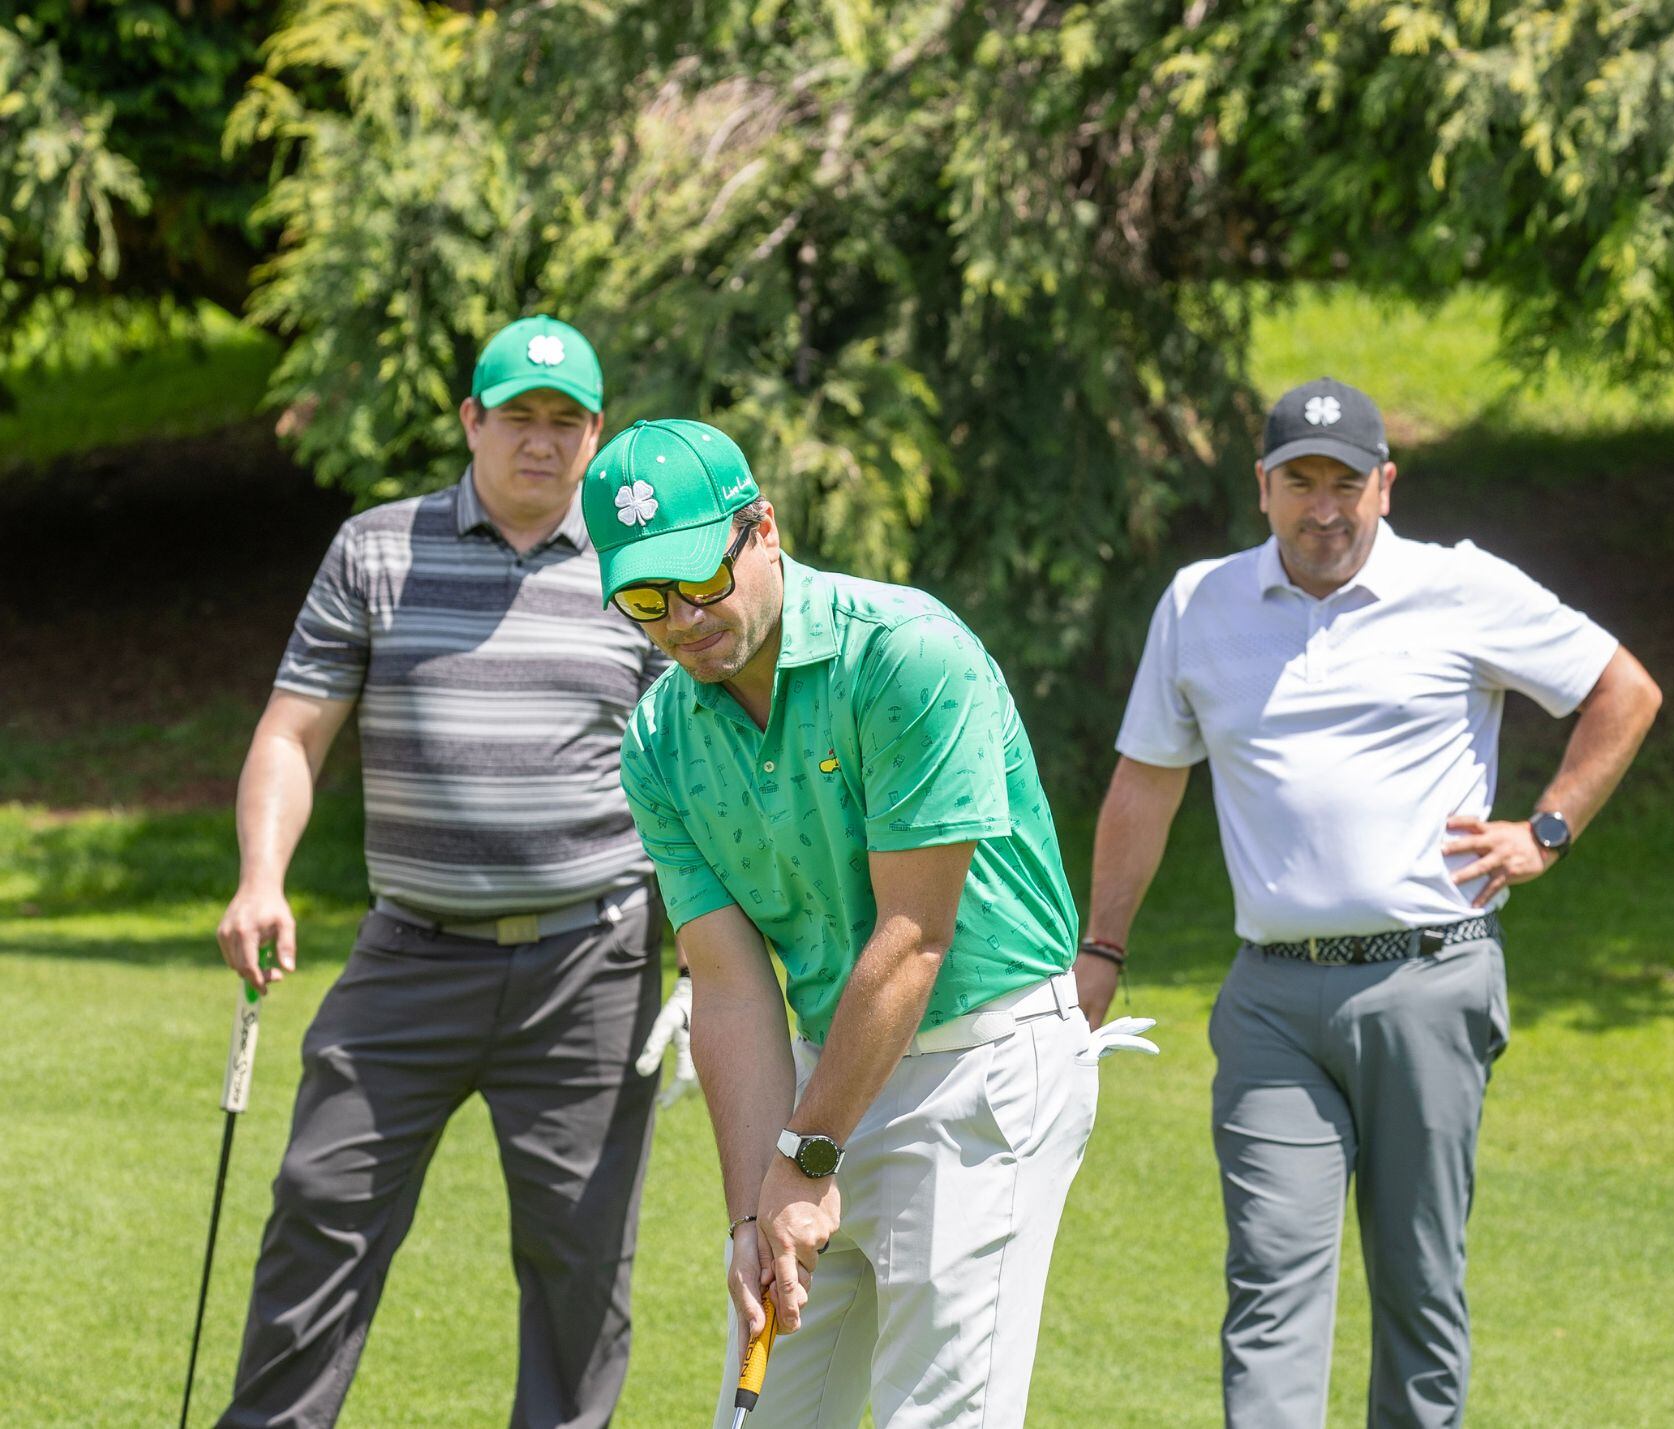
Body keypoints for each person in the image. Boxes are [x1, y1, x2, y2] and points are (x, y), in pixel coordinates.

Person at [1079, 377, 1663, 1427]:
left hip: (1428, 983)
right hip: (1269, 1003)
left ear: (1384, 486)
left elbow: (1623, 689)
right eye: (1299, 482)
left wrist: (1546, 829)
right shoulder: (1199, 603)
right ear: (1261, 488)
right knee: (1268, 1287)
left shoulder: (1459, 587)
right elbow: (1145, 784)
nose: (1323, 508)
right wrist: (1102, 946)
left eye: (1344, 483)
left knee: (1419, 1289)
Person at [581, 418, 1119, 1429]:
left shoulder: (906, 653)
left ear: (762, 529)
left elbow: (915, 934)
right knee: (770, 1411)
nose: (682, 619)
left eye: (699, 578)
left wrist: (807, 1156)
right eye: (645, 599)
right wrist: (754, 1211)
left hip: (980, 1068)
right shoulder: (657, 739)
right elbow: (729, 987)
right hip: (826, 1072)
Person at [213, 316, 672, 1428]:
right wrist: (261, 876)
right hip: (410, 951)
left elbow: (699, 775)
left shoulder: (639, 570)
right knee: (320, 1201)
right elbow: (292, 733)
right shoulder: (375, 549)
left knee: (579, 1259)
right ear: (472, 420)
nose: (540, 441)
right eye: (518, 416)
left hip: (591, 963)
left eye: (566, 421)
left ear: (597, 435)